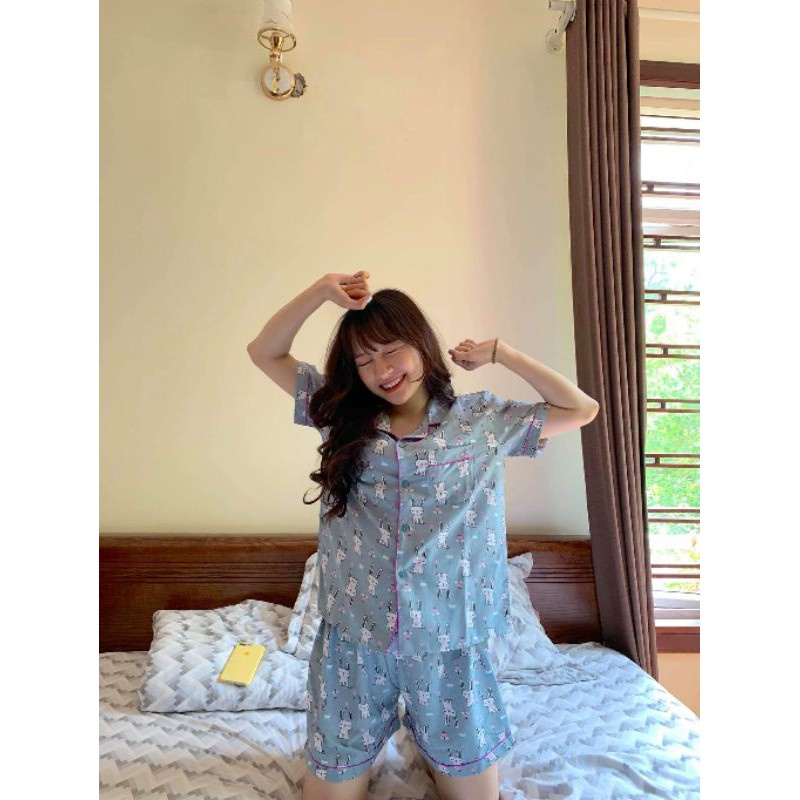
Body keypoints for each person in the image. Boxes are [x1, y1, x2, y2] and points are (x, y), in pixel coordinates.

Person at [246, 272, 600, 800]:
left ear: (421, 345)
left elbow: (582, 409)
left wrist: (502, 353)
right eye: (365, 361)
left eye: (392, 351)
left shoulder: (479, 421)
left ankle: (432, 747)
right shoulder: (340, 415)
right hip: (355, 641)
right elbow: (264, 352)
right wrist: (321, 291)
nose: (383, 371)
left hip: (450, 641)